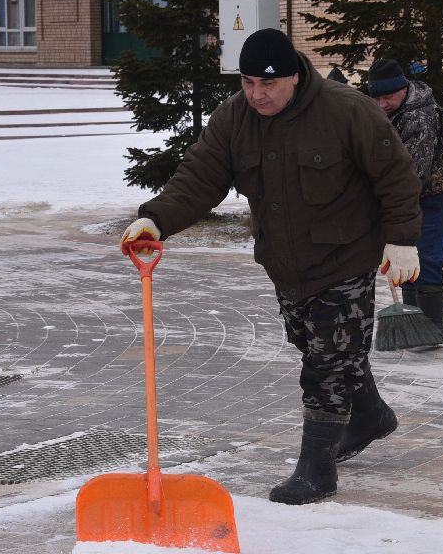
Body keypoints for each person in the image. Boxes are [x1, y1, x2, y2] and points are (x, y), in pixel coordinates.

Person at [121, 28, 423, 504]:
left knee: (326, 362)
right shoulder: (235, 118)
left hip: (346, 255)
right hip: (285, 262)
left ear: (295, 78)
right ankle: (370, 417)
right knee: (317, 345)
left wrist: (401, 240)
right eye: (247, 83)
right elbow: (200, 175)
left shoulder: (347, 111)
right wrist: (155, 220)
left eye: (268, 85)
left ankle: (316, 469)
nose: (257, 95)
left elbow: (397, 175)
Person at [365, 58, 443, 339]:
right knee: (403, 255)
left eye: (388, 97)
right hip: (403, 191)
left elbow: (413, 173)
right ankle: (412, 324)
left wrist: (385, 206)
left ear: (403, 89)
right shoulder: (382, 111)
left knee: (427, 256)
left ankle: (431, 330)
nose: (382, 103)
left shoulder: (422, 117)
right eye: (376, 97)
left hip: (436, 192)